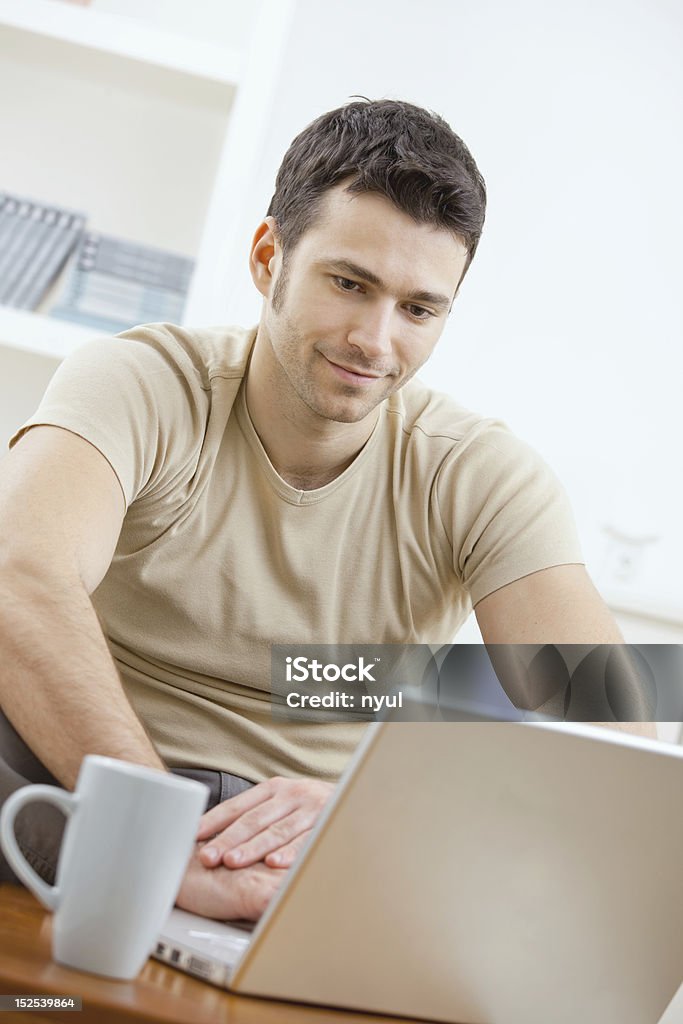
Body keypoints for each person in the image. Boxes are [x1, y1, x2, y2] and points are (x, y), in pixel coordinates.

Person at [0, 98, 645, 921]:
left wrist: (371, 815)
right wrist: (154, 837)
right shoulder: (140, 382)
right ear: (269, 257)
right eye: (349, 284)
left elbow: (618, 734)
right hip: (89, 777)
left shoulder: (481, 475)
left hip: (317, 842)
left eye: (418, 309)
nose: (375, 341)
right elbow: (22, 578)